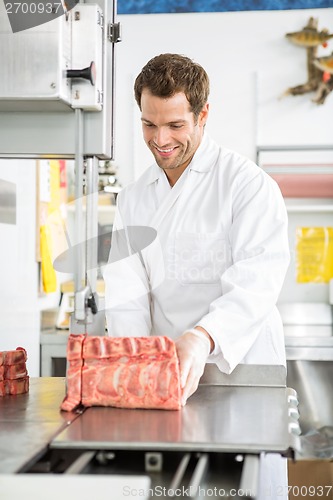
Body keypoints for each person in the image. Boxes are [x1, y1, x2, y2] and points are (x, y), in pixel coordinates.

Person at [103, 53, 290, 498]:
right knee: (172, 487)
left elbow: (258, 277)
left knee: (240, 488)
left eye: (175, 125)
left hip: (238, 372)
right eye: (149, 125)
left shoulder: (246, 185)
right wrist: (137, 365)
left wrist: (202, 335)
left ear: (202, 115)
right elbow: (128, 294)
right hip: (166, 383)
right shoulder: (134, 199)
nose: (161, 139)